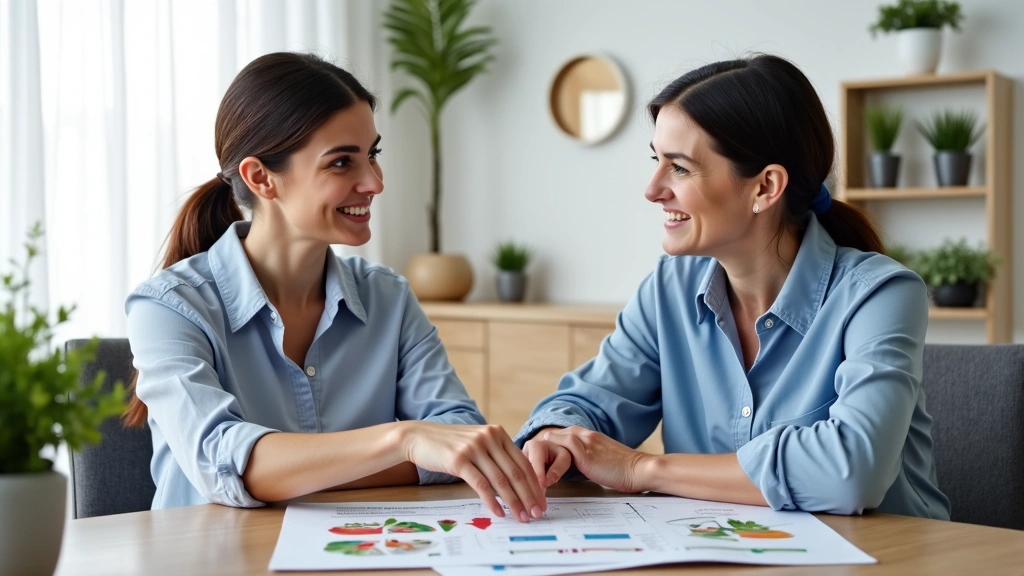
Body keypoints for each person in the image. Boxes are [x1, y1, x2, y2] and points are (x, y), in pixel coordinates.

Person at [517, 54, 950, 519]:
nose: (652, 188)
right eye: (656, 160)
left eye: (679, 168)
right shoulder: (668, 290)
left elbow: (850, 472)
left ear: (765, 187)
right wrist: (556, 437)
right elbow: (590, 402)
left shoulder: (881, 295)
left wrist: (643, 468)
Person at [123, 53, 544, 522]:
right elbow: (224, 464)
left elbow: (457, 438)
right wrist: (403, 442)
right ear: (260, 177)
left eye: (373, 154)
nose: (375, 182)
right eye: (342, 162)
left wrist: (291, 470)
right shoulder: (168, 307)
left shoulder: (388, 298)